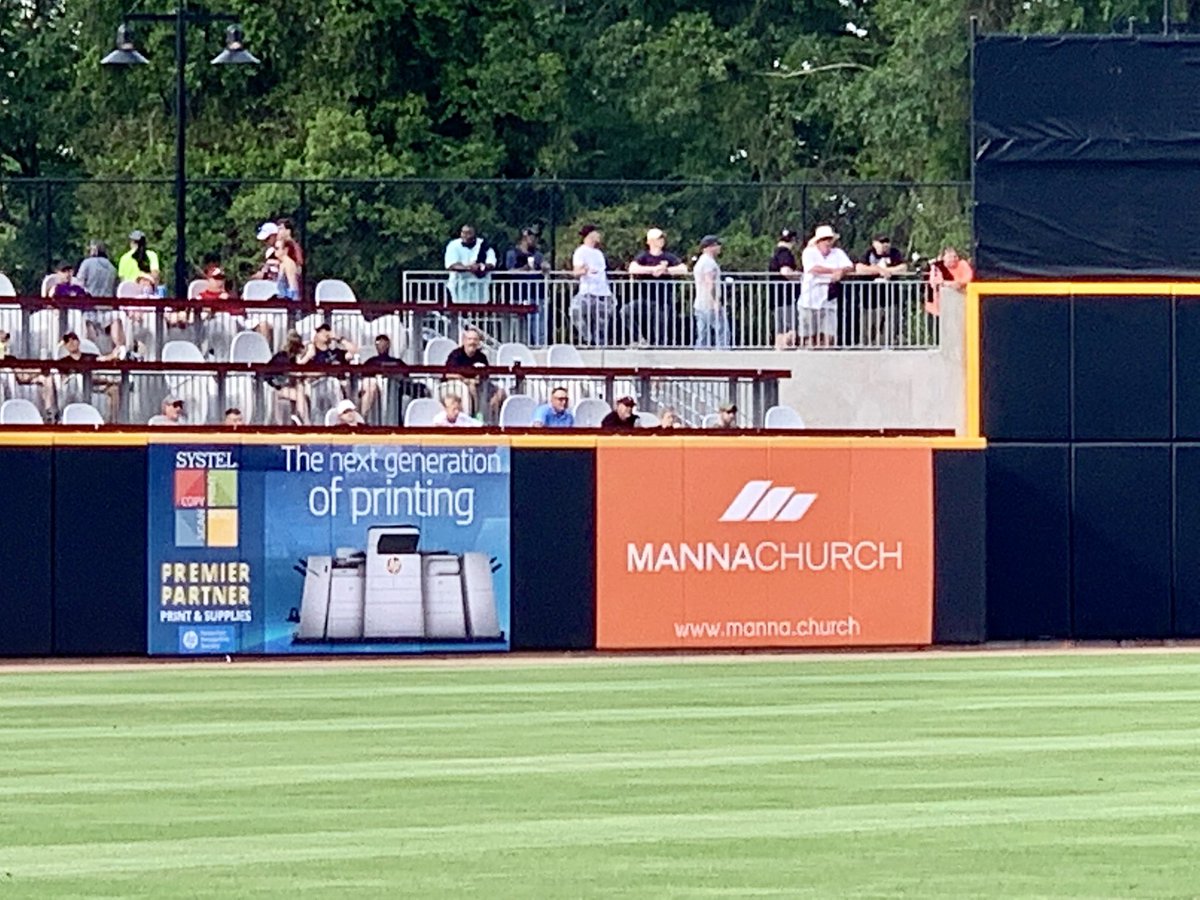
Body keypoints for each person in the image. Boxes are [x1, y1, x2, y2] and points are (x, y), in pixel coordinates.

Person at [627, 227, 687, 346]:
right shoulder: (643, 256)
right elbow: (632, 268)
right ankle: (639, 339)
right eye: (659, 238)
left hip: (663, 300)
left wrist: (665, 270)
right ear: (651, 241)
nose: (662, 240)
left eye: (662, 238)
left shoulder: (668, 256)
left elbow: (683, 269)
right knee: (626, 311)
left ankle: (660, 352)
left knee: (660, 330)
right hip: (645, 298)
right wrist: (652, 270)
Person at [799, 225, 854, 347]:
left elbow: (849, 266)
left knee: (829, 335)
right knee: (808, 336)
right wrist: (834, 271)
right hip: (810, 299)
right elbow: (812, 268)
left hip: (829, 300)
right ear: (818, 241)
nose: (828, 242)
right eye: (825, 239)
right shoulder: (809, 252)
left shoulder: (838, 253)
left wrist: (841, 272)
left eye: (830, 239)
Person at [853, 234, 909, 345]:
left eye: (887, 242)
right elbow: (860, 268)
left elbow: (903, 267)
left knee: (890, 330)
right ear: (874, 243)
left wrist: (889, 271)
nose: (885, 245)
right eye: (881, 242)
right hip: (870, 301)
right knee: (868, 331)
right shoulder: (868, 253)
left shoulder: (895, 253)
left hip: (891, 299)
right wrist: (878, 270)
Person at [444, 326, 504, 420]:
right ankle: (476, 417)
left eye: (475, 339)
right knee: (472, 388)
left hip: (480, 383)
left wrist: (479, 378)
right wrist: (466, 380)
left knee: (501, 392)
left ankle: (492, 419)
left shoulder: (481, 357)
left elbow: (486, 374)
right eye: (470, 339)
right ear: (464, 341)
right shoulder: (456, 355)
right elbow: (448, 374)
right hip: (460, 384)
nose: (472, 342)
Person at [571, 225, 615, 346]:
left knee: (602, 323)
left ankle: (599, 344)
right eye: (597, 233)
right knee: (577, 313)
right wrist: (585, 270)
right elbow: (576, 271)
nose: (599, 236)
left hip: (603, 292)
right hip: (587, 291)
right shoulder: (581, 251)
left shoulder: (598, 253)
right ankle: (587, 339)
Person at [504, 228, 549, 344]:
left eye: (535, 236)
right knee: (519, 324)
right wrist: (522, 269)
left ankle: (540, 346)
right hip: (518, 294)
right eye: (531, 236)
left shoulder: (538, 254)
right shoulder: (512, 253)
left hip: (537, 293)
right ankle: (520, 345)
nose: (534, 239)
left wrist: (545, 267)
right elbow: (509, 271)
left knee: (539, 323)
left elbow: (544, 266)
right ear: (524, 237)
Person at [267, 329, 310, 425]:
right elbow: (294, 373)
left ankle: (300, 417)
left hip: (286, 386)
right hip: (274, 389)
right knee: (300, 394)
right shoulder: (282, 357)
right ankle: (305, 422)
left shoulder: (293, 358)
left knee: (300, 387)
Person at [693, 235, 729, 349]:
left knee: (702, 333)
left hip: (699, 303)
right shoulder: (709, 263)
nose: (719, 247)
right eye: (717, 245)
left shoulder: (700, 261)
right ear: (709, 247)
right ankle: (723, 354)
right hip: (709, 304)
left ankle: (699, 355)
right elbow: (710, 283)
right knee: (722, 331)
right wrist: (715, 301)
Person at [445, 224, 497, 303]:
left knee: (480, 311)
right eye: (463, 232)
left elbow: (491, 263)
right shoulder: (453, 245)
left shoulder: (484, 245)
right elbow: (451, 265)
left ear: (475, 234)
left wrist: (481, 267)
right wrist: (469, 268)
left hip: (480, 286)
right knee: (459, 311)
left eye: (469, 233)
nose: (465, 235)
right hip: (458, 286)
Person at [769, 229, 802, 349]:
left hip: (777, 298)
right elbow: (785, 271)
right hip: (787, 297)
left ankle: (779, 349)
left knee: (780, 329)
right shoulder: (785, 253)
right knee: (791, 327)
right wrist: (800, 277)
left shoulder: (775, 253)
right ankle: (787, 347)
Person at [927, 246, 974, 316]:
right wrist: (952, 284)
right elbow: (935, 284)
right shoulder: (937, 268)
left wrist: (946, 283)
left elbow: (965, 281)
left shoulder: (963, 264)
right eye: (949, 257)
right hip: (937, 309)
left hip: (959, 307)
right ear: (943, 258)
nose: (953, 259)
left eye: (955, 256)